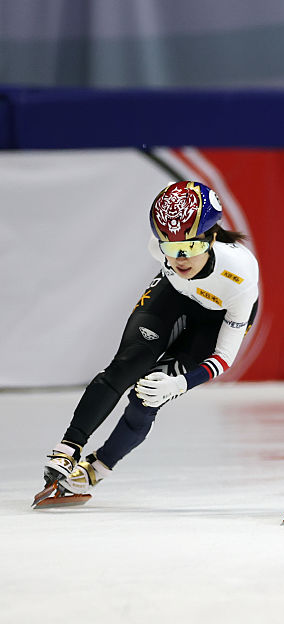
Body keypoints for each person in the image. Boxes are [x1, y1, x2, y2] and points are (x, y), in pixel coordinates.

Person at [34, 181, 259, 507]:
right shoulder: (162, 247)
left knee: (147, 397)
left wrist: (181, 383)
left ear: (211, 238)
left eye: (189, 249)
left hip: (213, 320)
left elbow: (224, 356)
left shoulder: (240, 277)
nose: (179, 259)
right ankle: (68, 448)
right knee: (128, 365)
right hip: (172, 299)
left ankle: (96, 469)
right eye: (169, 247)